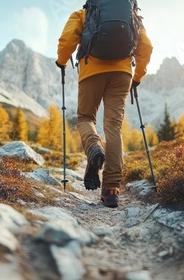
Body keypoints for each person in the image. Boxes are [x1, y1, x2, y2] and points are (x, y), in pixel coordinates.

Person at [56, 1, 153, 208]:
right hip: (122, 74)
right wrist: (137, 77)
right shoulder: (132, 16)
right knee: (114, 128)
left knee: (85, 118)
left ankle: (93, 147)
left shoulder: (85, 12)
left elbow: (67, 39)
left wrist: (62, 61)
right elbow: (146, 46)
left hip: (92, 70)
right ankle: (110, 190)